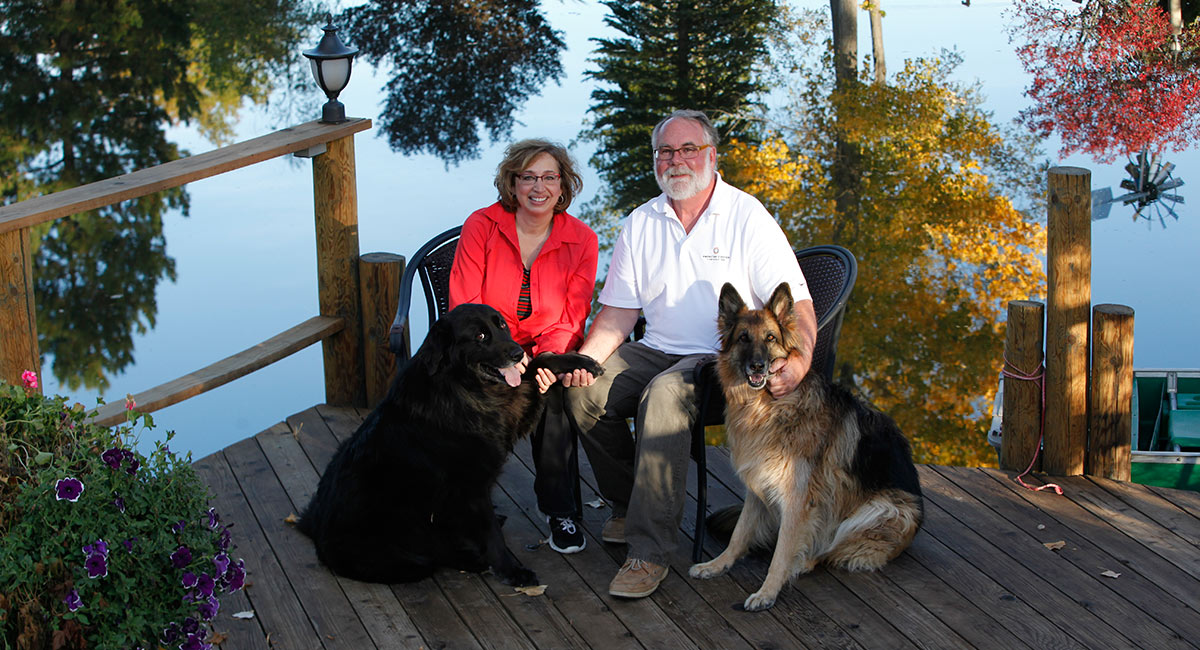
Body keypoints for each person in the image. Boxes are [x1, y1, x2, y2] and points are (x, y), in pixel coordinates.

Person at [559, 110, 817, 597]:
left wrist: (799, 361)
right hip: (656, 348)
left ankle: (649, 552)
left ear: (711, 156)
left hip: (726, 364)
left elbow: (799, 305)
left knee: (663, 397)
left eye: (688, 149)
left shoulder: (747, 216)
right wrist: (585, 361)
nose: (675, 160)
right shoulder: (642, 221)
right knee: (585, 394)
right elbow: (617, 315)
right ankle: (628, 505)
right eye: (665, 152)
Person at [448, 139, 599, 554]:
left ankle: (560, 511)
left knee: (549, 393)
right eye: (528, 177)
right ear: (512, 183)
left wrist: (544, 357)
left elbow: (573, 315)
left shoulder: (582, 240)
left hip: (544, 352)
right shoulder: (482, 225)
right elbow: (465, 306)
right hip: (481, 354)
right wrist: (503, 357)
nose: (539, 187)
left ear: (563, 185)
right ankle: (464, 508)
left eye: (549, 177)